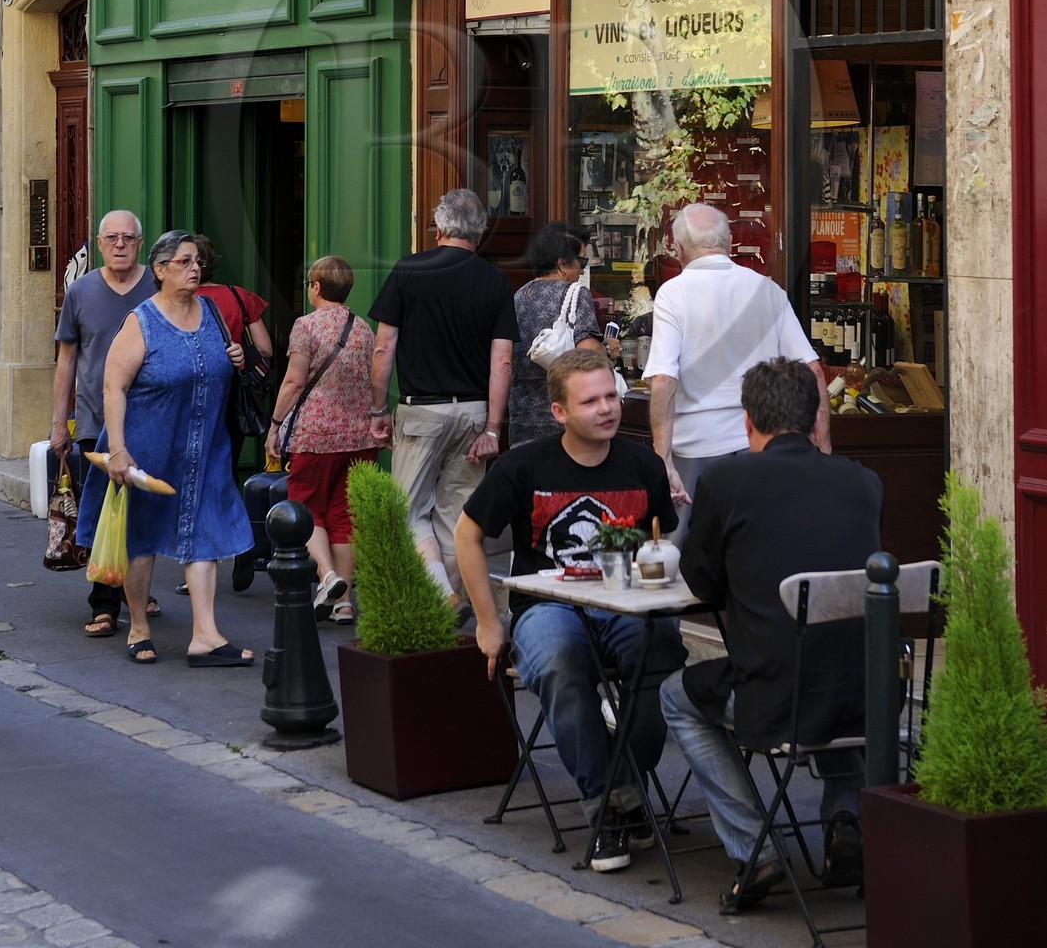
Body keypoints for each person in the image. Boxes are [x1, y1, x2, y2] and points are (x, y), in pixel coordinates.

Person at [658, 357, 883, 913]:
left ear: (747, 421)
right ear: (815, 421)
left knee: (675, 696)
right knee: (831, 656)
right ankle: (846, 819)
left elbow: (698, 581)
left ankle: (755, 846)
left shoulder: (726, 481)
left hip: (776, 700)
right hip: (873, 697)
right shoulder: (864, 481)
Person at [454, 347, 686, 873]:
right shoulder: (524, 465)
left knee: (664, 653)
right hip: (548, 607)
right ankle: (608, 807)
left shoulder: (643, 465)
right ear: (559, 411)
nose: (607, 409)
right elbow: (467, 535)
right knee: (560, 663)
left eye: (612, 396)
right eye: (591, 402)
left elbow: (659, 537)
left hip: (626, 606)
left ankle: (621, 785)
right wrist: (489, 623)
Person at [76, 231, 255, 667]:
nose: (195, 268)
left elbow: (222, 362)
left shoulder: (211, 310)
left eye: (198, 261)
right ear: (160, 270)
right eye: (185, 261)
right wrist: (118, 450)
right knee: (142, 538)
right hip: (148, 447)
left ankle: (205, 637)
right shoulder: (143, 320)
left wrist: (233, 355)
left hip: (205, 447)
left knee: (206, 535)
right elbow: (113, 387)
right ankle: (138, 627)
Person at [369, 188, 517, 617]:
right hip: (472, 416)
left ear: (438, 229)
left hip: (421, 411)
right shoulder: (495, 280)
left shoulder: (409, 269)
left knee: (407, 510)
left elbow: (383, 348)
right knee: (456, 520)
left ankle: (438, 597)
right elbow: (503, 360)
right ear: (480, 233)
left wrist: (379, 410)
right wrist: (492, 427)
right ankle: (443, 616)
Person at [645, 204, 830, 538]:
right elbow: (813, 370)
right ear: (729, 242)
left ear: (678, 248)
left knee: (688, 551)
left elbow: (663, 379)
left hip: (695, 449)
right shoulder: (768, 289)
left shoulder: (674, 293)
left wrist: (663, 460)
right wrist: (823, 448)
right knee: (759, 541)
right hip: (761, 443)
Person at [51, 211, 158, 639]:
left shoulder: (158, 286)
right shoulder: (80, 291)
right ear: (99, 244)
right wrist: (61, 423)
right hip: (96, 421)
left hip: (151, 418)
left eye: (128, 238)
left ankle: (138, 592)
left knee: (142, 512)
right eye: (111, 238)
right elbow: (67, 361)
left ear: (141, 243)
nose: (119, 244)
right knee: (107, 511)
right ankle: (105, 604)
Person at [264, 254, 377, 624]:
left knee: (307, 507)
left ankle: (327, 577)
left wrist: (276, 424)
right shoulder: (362, 328)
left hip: (315, 436)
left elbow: (295, 380)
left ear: (316, 287)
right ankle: (344, 604)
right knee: (345, 515)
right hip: (359, 437)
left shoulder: (306, 326)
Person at [195, 234, 273, 592]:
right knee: (224, 474)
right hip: (233, 399)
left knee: (201, 481)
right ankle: (241, 544)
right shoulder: (239, 296)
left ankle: (204, 560)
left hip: (197, 399)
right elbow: (266, 348)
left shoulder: (182, 302)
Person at [509, 221, 614, 446]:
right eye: (582, 261)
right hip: (565, 422)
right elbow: (589, 356)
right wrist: (608, 352)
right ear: (562, 264)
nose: (583, 269)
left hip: (522, 420)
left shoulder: (518, 296)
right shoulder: (576, 293)